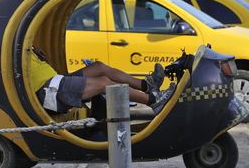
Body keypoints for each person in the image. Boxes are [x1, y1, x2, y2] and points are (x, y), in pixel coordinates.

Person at [31, 46, 175, 116]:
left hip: (56, 80)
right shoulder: (13, 46)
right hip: (48, 91)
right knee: (104, 83)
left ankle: (146, 85)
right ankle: (153, 101)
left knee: (99, 67)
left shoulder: (26, 45)